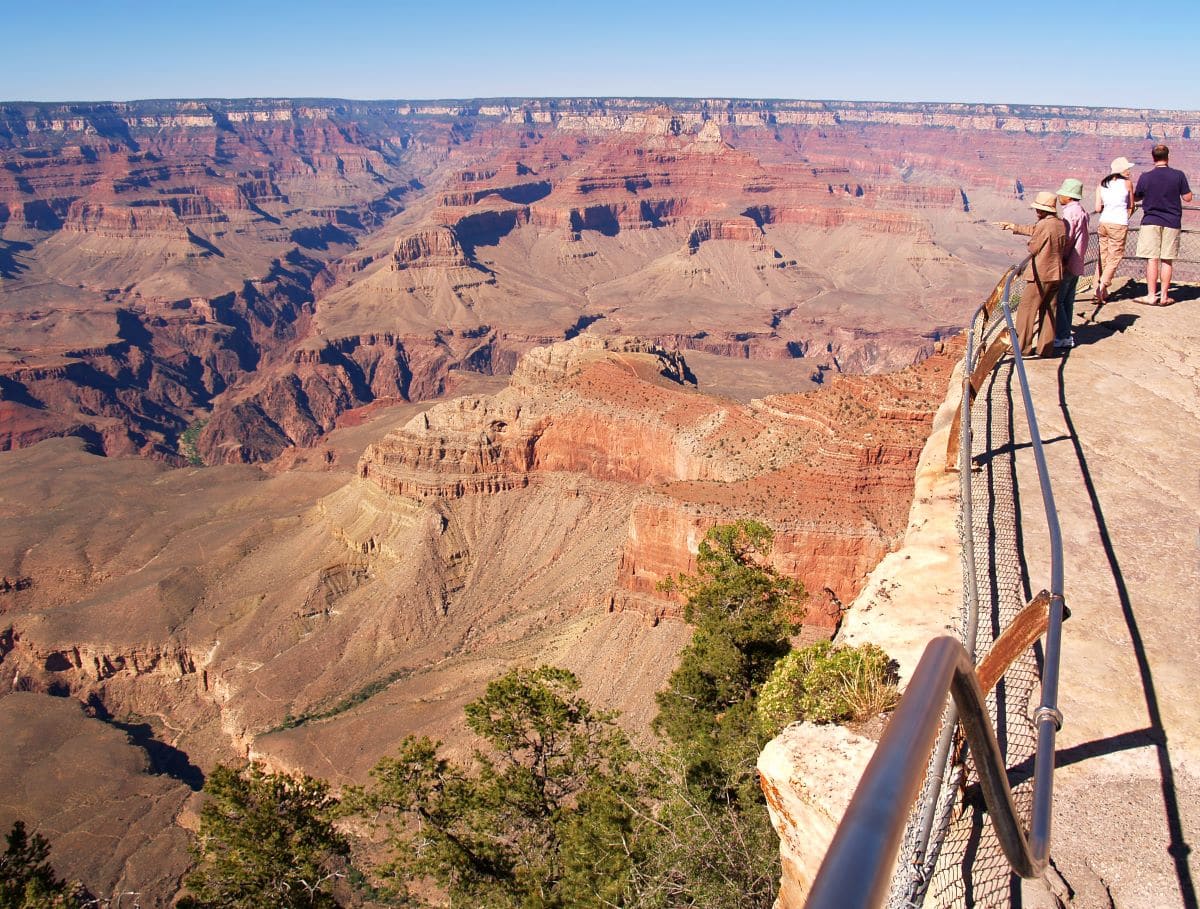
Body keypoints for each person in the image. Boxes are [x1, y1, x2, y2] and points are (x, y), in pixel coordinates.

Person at [997, 191, 1069, 358]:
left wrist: (1031, 242)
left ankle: (1022, 348)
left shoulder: (1044, 225)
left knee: (1027, 310)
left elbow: (1033, 247)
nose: (1036, 212)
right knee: (1049, 310)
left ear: (1045, 210)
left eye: (1039, 209)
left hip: (1041, 274)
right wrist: (1013, 226)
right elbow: (1036, 230)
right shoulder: (1059, 224)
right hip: (1056, 273)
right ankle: (1046, 348)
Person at [1134, 144, 1193, 305]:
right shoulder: (1178, 175)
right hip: (1172, 221)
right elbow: (1187, 198)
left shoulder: (1145, 177)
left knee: (1152, 259)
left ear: (1153, 158)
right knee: (1167, 260)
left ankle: (1151, 295)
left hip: (1151, 221)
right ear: (1168, 157)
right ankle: (1165, 297)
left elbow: (1136, 197)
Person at [1093, 156, 1137, 304]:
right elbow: (1131, 204)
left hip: (1103, 222)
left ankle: (1097, 289)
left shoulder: (1101, 184)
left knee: (1103, 256)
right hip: (1119, 223)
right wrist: (1125, 216)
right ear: (1121, 170)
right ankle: (1102, 285)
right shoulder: (1127, 184)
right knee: (1114, 257)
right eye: (1127, 169)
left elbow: (1098, 208)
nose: (1129, 171)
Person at [1053, 178, 1089, 348]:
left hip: (1068, 262)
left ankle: (1062, 336)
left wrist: (1061, 258)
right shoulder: (1080, 210)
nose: (1059, 196)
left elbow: (1067, 239)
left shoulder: (1069, 213)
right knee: (1068, 300)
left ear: (1068, 196)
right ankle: (1065, 335)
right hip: (1077, 261)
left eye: (1062, 193)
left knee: (1058, 300)